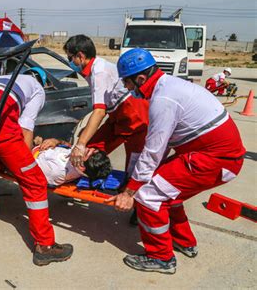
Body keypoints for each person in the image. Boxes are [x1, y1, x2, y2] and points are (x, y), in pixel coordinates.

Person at [107, 48, 245, 274]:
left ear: (141, 78)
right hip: (216, 155)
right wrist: (148, 174)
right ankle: (184, 241)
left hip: (215, 159)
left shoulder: (163, 99)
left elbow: (154, 149)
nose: (128, 89)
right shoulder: (170, 85)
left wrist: (131, 190)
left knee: (148, 196)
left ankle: (161, 257)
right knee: (166, 188)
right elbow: (165, 145)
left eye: (128, 83)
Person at [0, 73, 73, 266]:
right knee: (35, 181)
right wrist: (28, 162)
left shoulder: (5, 77)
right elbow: (25, 128)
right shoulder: (38, 89)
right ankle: (45, 247)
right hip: (1, 123)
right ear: (42, 82)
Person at [63, 35, 149, 179]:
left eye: (70, 58)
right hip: (117, 117)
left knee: (134, 169)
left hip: (135, 118)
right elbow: (101, 104)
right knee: (90, 150)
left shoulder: (99, 72)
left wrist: (80, 144)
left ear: (81, 56)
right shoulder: (92, 71)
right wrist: (87, 134)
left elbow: (99, 111)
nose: (70, 62)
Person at [35, 138, 112, 186]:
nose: (85, 148)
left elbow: (28, 166)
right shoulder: (77, 158)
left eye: (87, 151)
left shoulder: (57, 171)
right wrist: (56, 141)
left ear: (82, 167)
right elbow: (68, 145)